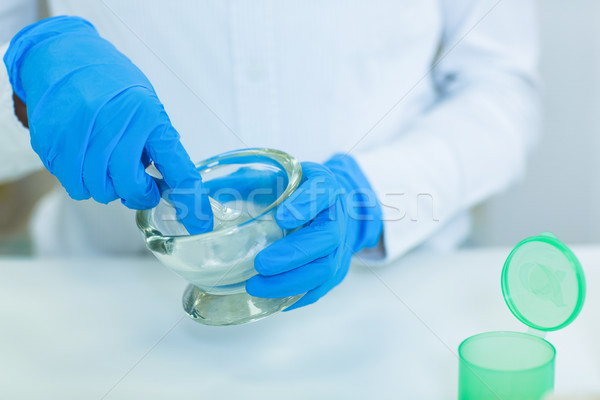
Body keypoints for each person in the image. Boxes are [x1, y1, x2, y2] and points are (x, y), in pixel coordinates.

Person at [0, 0, 540, 310]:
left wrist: (372, 195)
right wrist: (26, 81)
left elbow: (500, 91)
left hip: (394, 297)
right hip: (110, 301)